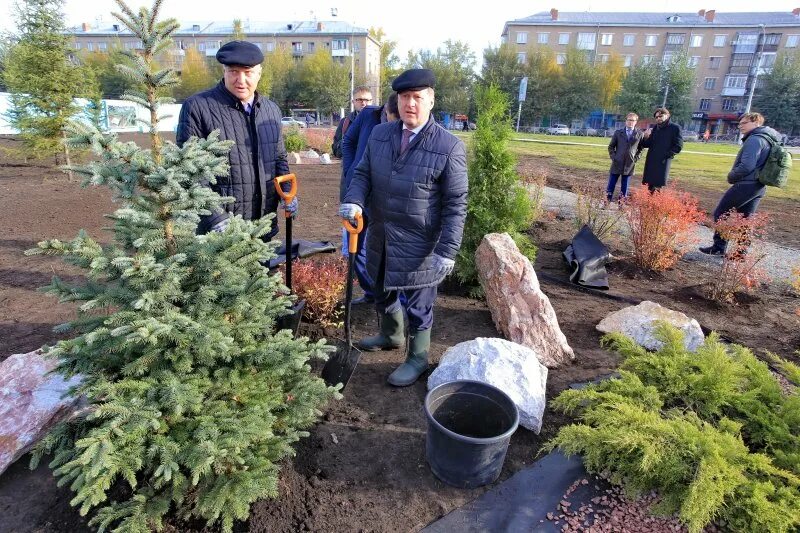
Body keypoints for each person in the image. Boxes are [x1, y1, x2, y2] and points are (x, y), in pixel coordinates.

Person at [338, 69, 468, 387]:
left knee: (419, 307)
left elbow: (456, 204)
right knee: (379, 288)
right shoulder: (381, 135)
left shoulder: (448, 147)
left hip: (420, 242)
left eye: (417, 97)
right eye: (405, 97)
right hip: (380, 232)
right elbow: (363, 173)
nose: (410, 104)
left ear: (431, 101)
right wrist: (354, 200)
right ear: (397, 99)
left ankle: (417, 357)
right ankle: (390, 334)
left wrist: (447, 250)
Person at [176, 40, 295, 236]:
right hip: (221, 232)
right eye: (233, 72)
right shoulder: (197, 107)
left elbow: (279, 158)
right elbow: (189, 170)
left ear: (259, 74)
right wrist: (216, 218)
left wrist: (288, 193)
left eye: (248, 73)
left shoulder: (270, 110)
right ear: (224, 71)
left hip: (263, 228)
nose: (241, 80)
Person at [340, 92, 400, 305]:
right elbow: (348, 142)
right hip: (360, 192)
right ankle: (372, 292)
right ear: (387, 110)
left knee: (388, 248)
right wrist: (350, 172)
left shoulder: (408, 124)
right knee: (354, 245)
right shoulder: (368, 116)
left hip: (388, 198)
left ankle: (392, 299)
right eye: (393, 119)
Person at [699, 113, 779, 256]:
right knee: (745, 219)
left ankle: (719, 247)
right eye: (739, 123)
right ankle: (740, 253)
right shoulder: (768, 139)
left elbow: (747, 166)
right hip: (759, 185)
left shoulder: (755, 139)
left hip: (746, 184)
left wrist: (731, 176)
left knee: (721, 213)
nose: (740, 126)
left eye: (744, 123)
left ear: (756, 123)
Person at [640, 107, 683, 192]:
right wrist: (644, 137)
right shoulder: (656, 127)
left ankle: (656, 203)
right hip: (651, 160)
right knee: (649, 185)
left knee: (657, 186)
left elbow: (678, 146)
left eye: (660, 116)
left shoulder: (675, 128)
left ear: (667, 115)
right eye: (656, 117)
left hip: (663, 161)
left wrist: (667, 155)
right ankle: (649, 203)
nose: (658, 118)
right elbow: (648, 144)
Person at [606, 113, 644, 201]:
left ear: (636, 122)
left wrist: (635, 159)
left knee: (625, 187)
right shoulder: (618, 133)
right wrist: (614, 157)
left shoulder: (639, 134)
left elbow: (641, 149)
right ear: (626, 121)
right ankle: (606, 202)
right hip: (617, 163)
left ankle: (621, 205)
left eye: (632, 120)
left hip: (629, 164)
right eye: (628, 120)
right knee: (611, 185)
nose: (630, 122)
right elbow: (611, 147)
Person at [332, 85, 373, 158]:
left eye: (367, 100)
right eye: (359, 100)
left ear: (371, 101)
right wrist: (347, 143)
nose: (363, 103)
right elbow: (335, 150)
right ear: (353, 102)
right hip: (351, 167)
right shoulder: (345, 122)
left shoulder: (380, 121)